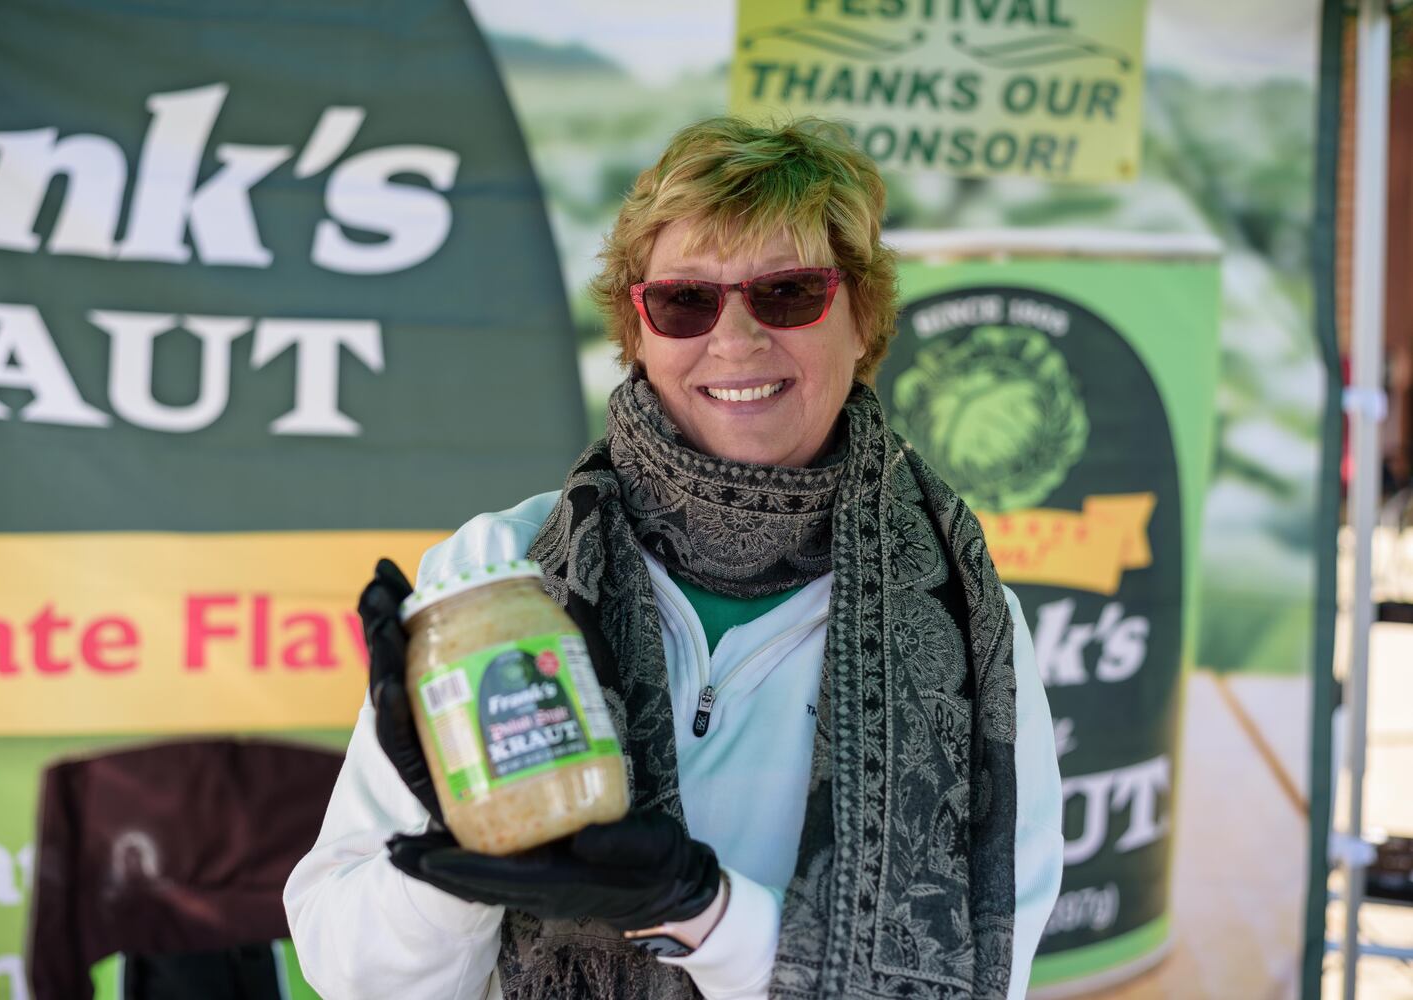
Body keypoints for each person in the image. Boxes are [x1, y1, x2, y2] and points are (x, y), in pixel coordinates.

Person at [284, 117, 1064, 1000]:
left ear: (863, 322)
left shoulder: (966, 625)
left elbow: (980, 977)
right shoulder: (499, 574)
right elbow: (354, 973)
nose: (735, 339)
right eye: (686, 301)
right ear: (639, 331)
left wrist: (705, 913)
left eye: (788, 293)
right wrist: (460, 859)